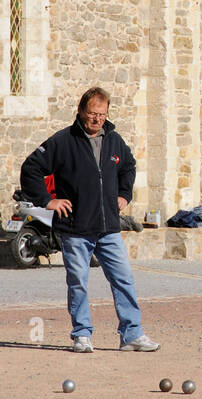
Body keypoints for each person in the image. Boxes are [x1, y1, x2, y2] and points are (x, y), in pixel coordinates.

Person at [20, 87, 159, 353]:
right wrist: (48, 201)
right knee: (79, 283)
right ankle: (81, 334)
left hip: (108, 228)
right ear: (81, 111)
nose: (97, 120)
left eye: (102, 115)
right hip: (75, 229)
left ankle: (131, 334)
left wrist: (124, 195)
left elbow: (128, 166)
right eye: (92, 114)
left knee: (124, 279)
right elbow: (30, 169)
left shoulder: (114, 140)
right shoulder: (62, 141)